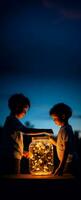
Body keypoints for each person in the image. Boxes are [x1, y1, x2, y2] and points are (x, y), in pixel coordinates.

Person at [0, 93, 53, 175]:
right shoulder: (11, 120)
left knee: (14, 177)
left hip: (14, 156)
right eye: (25, 110)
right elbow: (25, 130)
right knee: (12, 179)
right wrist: (45, 131)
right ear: (17, 107)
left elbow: (13, 142)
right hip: (10, 158)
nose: (25, 113)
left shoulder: (13, 121)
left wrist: (23, 152)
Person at [49, 102, 80, 177]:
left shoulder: (66, 130)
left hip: (69, 162)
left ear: (63, 116)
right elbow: (62, 146)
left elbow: (67, 149)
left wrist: (61, 166)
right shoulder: (63, 129)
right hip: (67, 161)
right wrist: (54, 142)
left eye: (55, 118)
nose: (54, 121)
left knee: (66, 180)